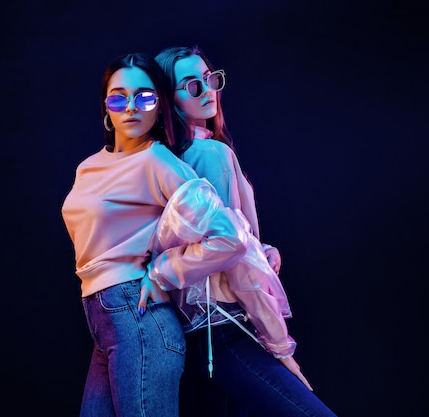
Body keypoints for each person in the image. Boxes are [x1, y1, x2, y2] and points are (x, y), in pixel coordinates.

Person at [61, 52, 250, 417]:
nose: (131, 107)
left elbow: (229, 236)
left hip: (139, 315)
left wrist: (164, 274)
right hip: (104, 322)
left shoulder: (158, 162)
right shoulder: (88, 167)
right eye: (119, 97)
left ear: (159, 106)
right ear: (106, 107)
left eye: (144, 97)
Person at [152, 45, 338, 417]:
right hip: (226, 329)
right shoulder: (212, 155)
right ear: (168, 99)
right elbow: (233, 256)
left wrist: (259, 248)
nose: (208, 92)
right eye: (191, 86)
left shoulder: (167, 158)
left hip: (195, 329)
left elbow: (217, 243)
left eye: (210, 80)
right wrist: (280, 347)